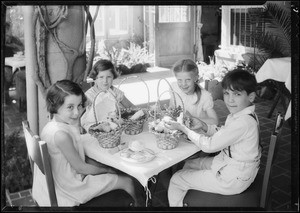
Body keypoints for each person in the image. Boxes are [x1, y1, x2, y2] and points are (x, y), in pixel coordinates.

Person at [32, 79, 139, 206]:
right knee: (127, 181)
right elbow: (81, 168)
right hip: (70, 189)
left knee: (101, 165)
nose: (77, 112)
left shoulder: (51, 126)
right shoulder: (61, 135)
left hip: (59, 183)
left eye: (79, 105)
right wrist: (107, 170)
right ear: (55, 105)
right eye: (70, 107)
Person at [164, 69, 262, 206]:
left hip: (233, 178)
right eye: (227, 93)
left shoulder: (243, 122)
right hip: (231, 165)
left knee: (176, 179)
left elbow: (209, 146)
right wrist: (204, 126)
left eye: (237, 94)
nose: (230, 100)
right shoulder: (243, 115)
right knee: (188, 164)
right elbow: (225, 133)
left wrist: (184, 129)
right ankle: (185, 197)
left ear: (251, 97)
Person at [81, 59, 135, 132]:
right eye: (101, 77)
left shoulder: (115, 92)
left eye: (109, 77)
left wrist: (141, 113)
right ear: (95, 79)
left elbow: (130, 106)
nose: (105, 81)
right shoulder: (89, 95)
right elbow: (80, 115)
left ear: (113, 77)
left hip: (114, 128)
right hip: (95, 128)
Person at [169, 59, 219, 126]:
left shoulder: (204, 96)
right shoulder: (174, 87)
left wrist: (192, 119)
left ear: (196, 78)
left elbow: (215, 121)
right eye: (179, 80)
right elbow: (171, 106)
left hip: (197, 132)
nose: (183, 84)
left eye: (188, 80)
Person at [4, 22, 25, 106]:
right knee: (7, 73)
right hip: (7, 64)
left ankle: (22, 100)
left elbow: (22, 48)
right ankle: (5, 96)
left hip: (14, 63)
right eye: (7, 30)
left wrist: (13, 45)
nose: (9, 32)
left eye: (9, 30)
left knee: (17, 74)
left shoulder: (14, 39)